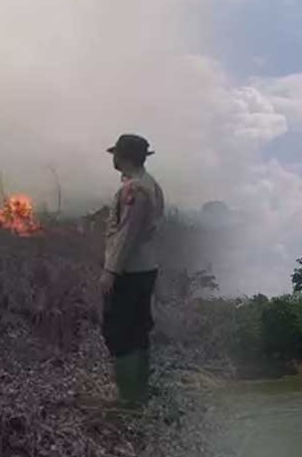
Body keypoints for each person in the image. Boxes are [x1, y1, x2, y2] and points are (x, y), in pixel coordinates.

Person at [100, 134, 165, 407]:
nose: (113, 158)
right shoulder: (150, 184)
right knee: (138, 329)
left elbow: (127, 235)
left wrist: (111, 271)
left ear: (123, 157)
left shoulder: (134, 190)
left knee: (120, 331)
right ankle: (139, 392)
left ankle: (129, 398)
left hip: (130, 271)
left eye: (116, 154)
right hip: (145, 268)